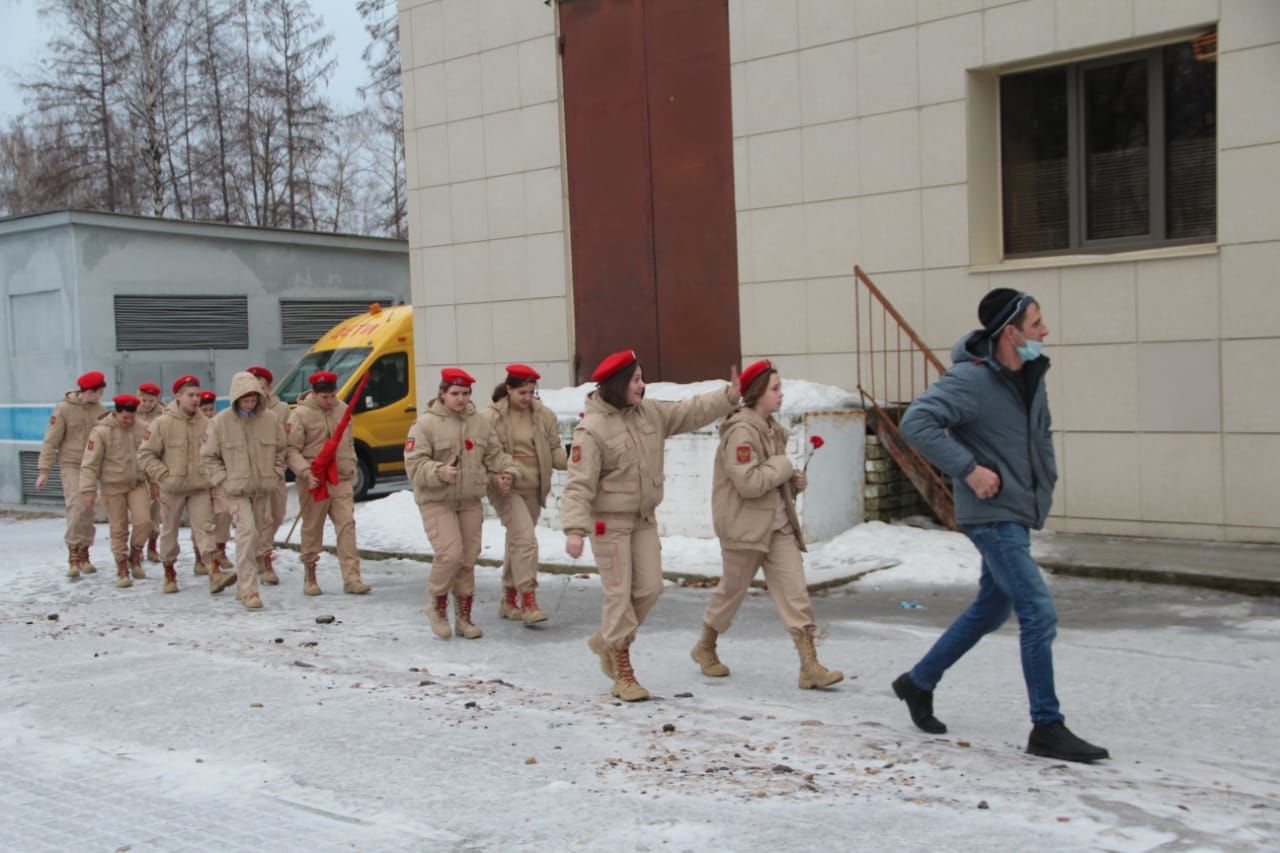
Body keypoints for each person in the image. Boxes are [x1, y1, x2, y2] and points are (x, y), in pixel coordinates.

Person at [893, 288, 1109, 764]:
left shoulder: (1028, 374)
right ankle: (1046, 726)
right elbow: (917, 421)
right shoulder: (970, 380)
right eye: (1036, 323)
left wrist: (1042, 481)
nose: (1044, 330)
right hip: (991, 514)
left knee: (992, 609)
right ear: (1010, 332)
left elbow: (1039, 437)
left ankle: (918, 681)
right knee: (1037, 611)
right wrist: (968, 469)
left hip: (1015, 507)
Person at [562, 350, 739, 702]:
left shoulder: (650, 413)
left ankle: (607, 641)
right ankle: (622, 669)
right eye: (636, 380)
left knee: (650, 588)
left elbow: (688, 412)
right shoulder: (591, 429)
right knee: (619, 594)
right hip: (606, 524)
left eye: (642, 379)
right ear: (616, 385)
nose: (642, 386)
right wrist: (574, 529)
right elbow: (578, 484)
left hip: (642, 519)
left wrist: (728, 396)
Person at [692, 360, 843, 689]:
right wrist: (784, 466)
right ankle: (705, 646)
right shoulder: (741, 432)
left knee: (796, 594)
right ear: (758, 393)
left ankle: (809, 666)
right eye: (775, 389)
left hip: (777, 527)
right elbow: (748, 483)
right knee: (731, 593)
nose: (781, 394)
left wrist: (792, 482)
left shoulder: (772, 430)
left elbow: (771, 478)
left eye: (780, 388)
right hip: (744, 529)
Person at [404, 368, 517, 639]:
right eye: (455, 393)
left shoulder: (478, 422)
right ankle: (437, 605)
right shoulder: (425, 424)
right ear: (442, 394)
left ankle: (464, 618)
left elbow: (494, 455)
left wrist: (507, 472)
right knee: (450, 554)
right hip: (436, 500)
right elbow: (413, 465)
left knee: (467, 558)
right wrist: (438, 471)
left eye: (465, 393)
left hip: (468, 500)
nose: (461, 398)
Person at [483, 364, 568, 624]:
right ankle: (528, 600)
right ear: (508, 389)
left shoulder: (544, 416)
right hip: (506, 488)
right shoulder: (491, 418)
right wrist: (496, 477)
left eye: (531, 392)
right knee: (527, 540)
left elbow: (555, 451)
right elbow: (484, 455)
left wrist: (576, 459)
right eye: (522, 392)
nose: (527, 398)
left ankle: (508, 601)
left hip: (534, 487)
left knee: (518, 543)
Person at [139, 377, 236, 594]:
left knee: (204, 529)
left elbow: (217, 452)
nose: (195, 399)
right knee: (170, 531)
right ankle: (169, 573)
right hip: (172, 488)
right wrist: (162, 476)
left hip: (199, 486)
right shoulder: (162, 423)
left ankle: (214, 572)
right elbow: (145, 454)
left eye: (197, 395)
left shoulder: (207, 424)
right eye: (190, 395)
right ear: (178, 397)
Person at [200, 371, 286, 611]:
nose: (250, 404)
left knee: (256, 536)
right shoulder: (220, 422)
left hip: (261, 488)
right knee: (246, 534)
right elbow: (208, 458)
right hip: (236, 490)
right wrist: (224, 481)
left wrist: (275, 471)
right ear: (237, 399)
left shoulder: (270, 419)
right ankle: (249, 589)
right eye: (246, 400)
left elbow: (281, 450)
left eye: (254, 399)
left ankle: (242, 587)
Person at [285, 370, 371, 596]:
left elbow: (349, 440)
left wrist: (351, 461)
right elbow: (291, 450)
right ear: (314, 394)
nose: (330, 400)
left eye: (333, 395)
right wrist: (304, 472)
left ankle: (352, 577)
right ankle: (310, 574)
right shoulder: (300, 415)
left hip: (340, 478)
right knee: (313, 527)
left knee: (347, 526)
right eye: (325, 397)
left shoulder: (343, 409)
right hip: (314, 479)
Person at [36, 370, 108, 578]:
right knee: (75, 507)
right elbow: (51, 440)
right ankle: (73, 554)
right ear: (90, 391)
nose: (101, 396)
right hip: (71, 465)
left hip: (92, 467)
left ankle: (85, 552)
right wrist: (44, 471)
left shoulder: (100, 410)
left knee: (88, 509)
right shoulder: (63, 409)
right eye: (99, 392)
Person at [79, 394, 153, 589]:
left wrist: (155, 482)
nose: (128, 421)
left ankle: (135, 554)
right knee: (118, 528)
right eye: (124, 418)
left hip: (137, 483)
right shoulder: (101, 431)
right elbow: (89, 464)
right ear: (116, 413)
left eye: (131, 417)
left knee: (144, 521)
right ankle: (122, 565)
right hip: (112, 486)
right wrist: (88, 490)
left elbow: (151, 456)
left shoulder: (143, 428)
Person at [246, 365, 290, 586]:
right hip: (254, 474)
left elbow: (285, 442)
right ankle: (264, 558)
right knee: (265, 517)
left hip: (276, 471)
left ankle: (260, 548)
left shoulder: (281, 409)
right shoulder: (244, 410)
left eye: (262, 387)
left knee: (278, 515)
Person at [198, 390, 232, 567]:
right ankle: (201, 556)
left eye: (211, 409)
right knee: (202, 520)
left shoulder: (220, 425)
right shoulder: (193, 426)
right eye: (205, 410)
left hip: (217, 477)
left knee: (225, 511)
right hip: (198, 480)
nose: (209, 413)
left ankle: (221, 549)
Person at [136, 382, 164, 563]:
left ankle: (152, 546)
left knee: (155, 510)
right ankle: (136, 546)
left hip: (156, 467)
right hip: (136, 467)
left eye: (151, 400)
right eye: (143, 399)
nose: (146, 404)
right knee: (140, 513)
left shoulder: (164, 414)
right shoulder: (131, 412)